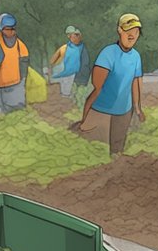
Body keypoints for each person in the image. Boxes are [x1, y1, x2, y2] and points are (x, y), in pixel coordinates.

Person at [76, 14, 146, 155]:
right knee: (93, 147)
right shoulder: (108, 54)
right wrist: (86, 116)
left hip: (124, 110)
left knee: (117, 149)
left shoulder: (136, 56)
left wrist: (137, 108)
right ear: (120, 30)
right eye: (128, 31)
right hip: (102, 110)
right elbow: (96, 88)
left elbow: (135, 82)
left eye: (136, 31)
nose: (132, 35)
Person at [0, 12, 30, 114]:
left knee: (16, 113)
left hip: (15, 86)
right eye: (7, 29)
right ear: (1, 29)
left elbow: (24, 62)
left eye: (13, 29)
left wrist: (22, 80)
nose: (11, 32)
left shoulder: (19, 44)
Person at [48, 25, 90, 101]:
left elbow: (85, 63)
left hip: (78, 74)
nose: (75, 37)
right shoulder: (65, 48)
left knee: (73, 87)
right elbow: (53, 59)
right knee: (66, 84)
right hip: (68, 72)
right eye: (72, 36)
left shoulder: (82, 49)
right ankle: (66, 96)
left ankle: (69, 97)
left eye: (77, 36)